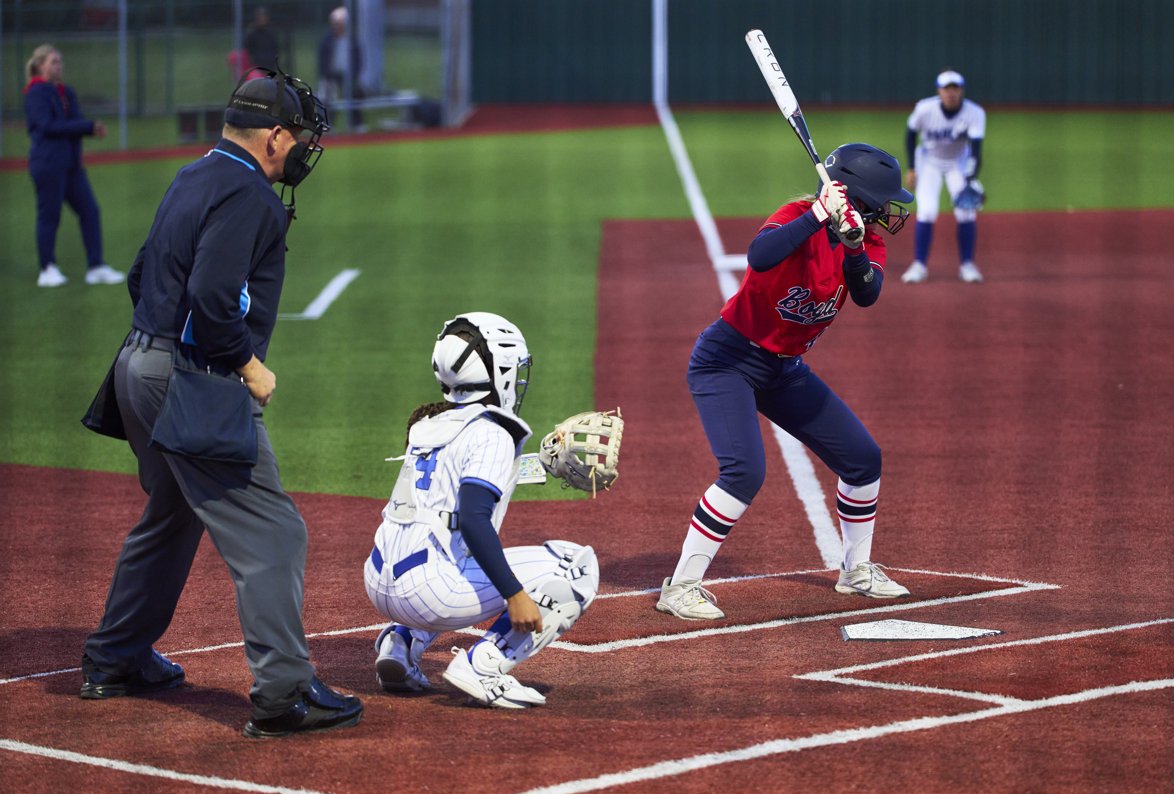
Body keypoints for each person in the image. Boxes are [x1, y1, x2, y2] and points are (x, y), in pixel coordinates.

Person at [79, 68, 363, 738]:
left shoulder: (194, 174)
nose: (301, 151)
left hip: (134, 365)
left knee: (173, 515)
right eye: (298, 138)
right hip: (192, 379)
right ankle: (283, 694)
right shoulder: (252, 196)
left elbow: (141, 274)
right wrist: (246, 365)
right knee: (274, 534)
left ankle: (114, 660)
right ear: (274, 138)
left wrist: (156, 351)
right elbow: (211, 299)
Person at [656, 143, 914, 621]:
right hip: (728, 360)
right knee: (744, 472)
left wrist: (854, 247)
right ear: (857, 196)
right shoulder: (797, 214)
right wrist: (818, 214)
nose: (890, 210)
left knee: (862, 459)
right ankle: (681, 587)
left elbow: (867, 294)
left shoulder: (869, 240)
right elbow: (759, 255)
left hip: (785, 369)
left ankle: (855, 571)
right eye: (883, 200)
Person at [364, 312, 600, 708]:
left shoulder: (430, 422)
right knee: (576, 565)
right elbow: (474, 518)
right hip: (429, 592)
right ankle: (485, 665)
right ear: (501, 371)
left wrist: (540, 462)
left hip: (379, 580)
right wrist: (515, 595)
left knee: (451, 548)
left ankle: (400, 643)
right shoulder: (492, 432)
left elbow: (467, 481)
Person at [23, 44, 123, 288]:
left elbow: (75, 120)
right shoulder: (35, 93)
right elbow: (47, 126)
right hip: (48, 165)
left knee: (90, 211)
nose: (59, 65)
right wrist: (86, 127)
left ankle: (96, 267)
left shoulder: (66, 91)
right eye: (54, 62)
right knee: (50, 216)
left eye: (60, 61)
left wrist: (90, 127)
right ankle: (47, 269)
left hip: (71, 166)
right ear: (40, 66)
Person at [900, 69, 988, 284]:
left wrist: (970, 178)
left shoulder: (974, 113)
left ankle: (967, 265)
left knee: (966, 212)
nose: (951, 93)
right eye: (946, 89)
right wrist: (912, 168)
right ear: (939, 90)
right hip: (929, 161)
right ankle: (919, 265)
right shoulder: (924, 108)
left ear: (961, 90)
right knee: (927, 211)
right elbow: (910, 135)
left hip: (958, 162)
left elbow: (976, 150)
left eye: (955, 88)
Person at [317, 6, 364, 131]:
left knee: (355, 91)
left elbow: (358, 60)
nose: (337, 26)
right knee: (327, 94)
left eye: (339, 23)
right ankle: (328, 125)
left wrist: (353, 76)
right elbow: (323, 62)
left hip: (348, 76)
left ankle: (357, 124)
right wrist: (326, 76)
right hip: (331, 76)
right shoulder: (327, 41)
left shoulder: (352, 40)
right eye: (335, 23)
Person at [243, 6, 280, 71]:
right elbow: (248, 49)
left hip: (270, 66)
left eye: (265, 16)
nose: (263, 19)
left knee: (270, 79)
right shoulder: (252, 33)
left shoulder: (271, 32)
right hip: (256, 66)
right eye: (260, 16)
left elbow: (276, 49)